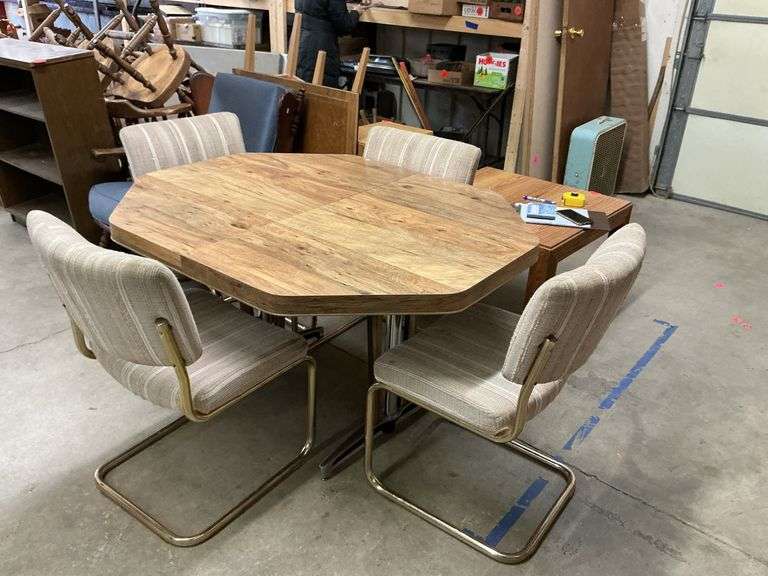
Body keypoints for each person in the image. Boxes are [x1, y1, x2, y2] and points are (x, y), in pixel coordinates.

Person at [295, 0, 368, 87]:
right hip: (323, 46)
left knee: (303, 88)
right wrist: (356, 12)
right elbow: (344, 25)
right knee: (322, 91)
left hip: (303, 41)